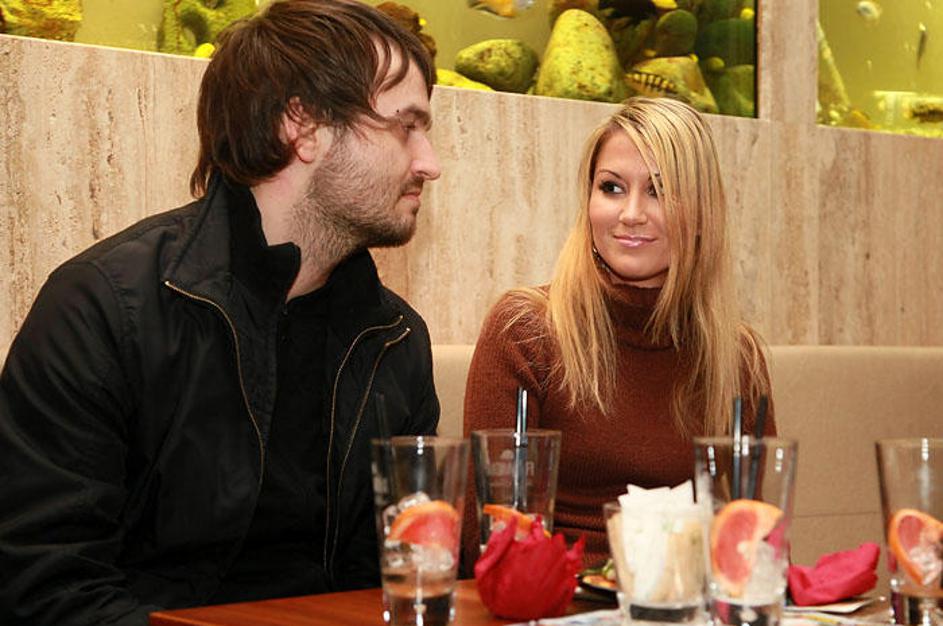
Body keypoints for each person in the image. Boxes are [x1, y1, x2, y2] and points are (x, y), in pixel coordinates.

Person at [0, 1, 442, 623]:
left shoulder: (394, 339)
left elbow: (396, 578)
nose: (430, 162)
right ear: (303, 126)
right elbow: (44, 591)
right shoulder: (104, 309)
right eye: (406, 127)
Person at [462, 97, 775, 569]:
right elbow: (483, 540)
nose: (631, 213)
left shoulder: (737, 357)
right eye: (611, 188)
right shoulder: (525, 331)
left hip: (684, 601)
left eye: (659, 191)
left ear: (702, 213)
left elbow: (751, 545)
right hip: (552, 600)